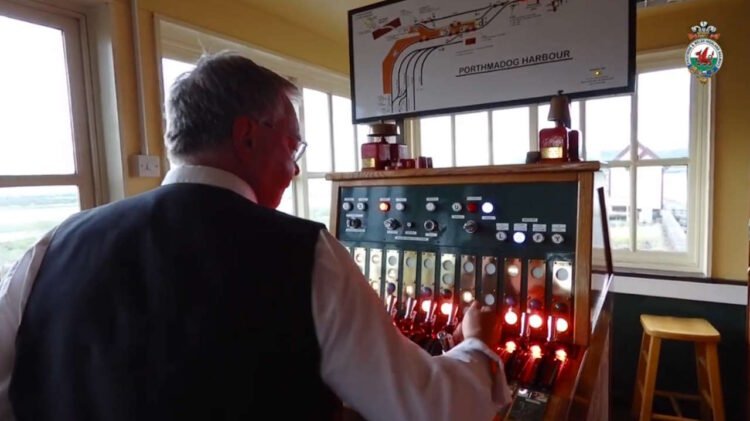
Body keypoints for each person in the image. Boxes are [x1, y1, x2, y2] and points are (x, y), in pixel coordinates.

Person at [0, 51, 510, 421]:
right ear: (248, 135)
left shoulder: (52, 246)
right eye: (292, 146)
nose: (293, 168)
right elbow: (423, 408)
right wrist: (476, 348)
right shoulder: (305, 255)